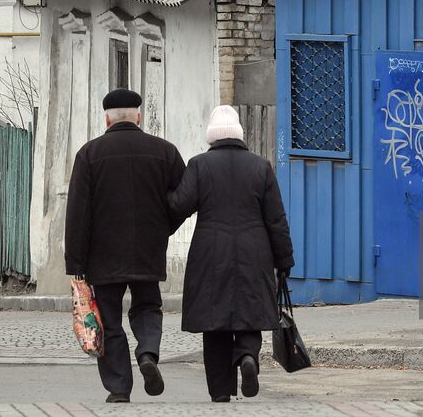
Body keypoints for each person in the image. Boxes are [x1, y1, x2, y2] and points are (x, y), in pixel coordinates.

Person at [65, 89, 186, 403]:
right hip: (148, 249)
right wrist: (163, 228)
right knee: (147, 306)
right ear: (139, 117)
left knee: (109, 318)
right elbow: (183, 199)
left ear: (106, 119)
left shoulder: (89, 155)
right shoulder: (165, 152)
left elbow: (78, 213)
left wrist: (76, 265)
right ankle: (147, 354)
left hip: (103, 257)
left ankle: (119, 388)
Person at [169, 105, 295, 402]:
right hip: (255, 250)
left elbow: (179, 205)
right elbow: (276, 219)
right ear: (239, 133)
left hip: (210, 252)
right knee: (249, 313)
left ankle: (220, 393)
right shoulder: (260, 166)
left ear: (211, 136)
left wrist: (162, 194)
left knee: (215, 322)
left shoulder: (199, 165)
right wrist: (284, 260)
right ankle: (248, 357)